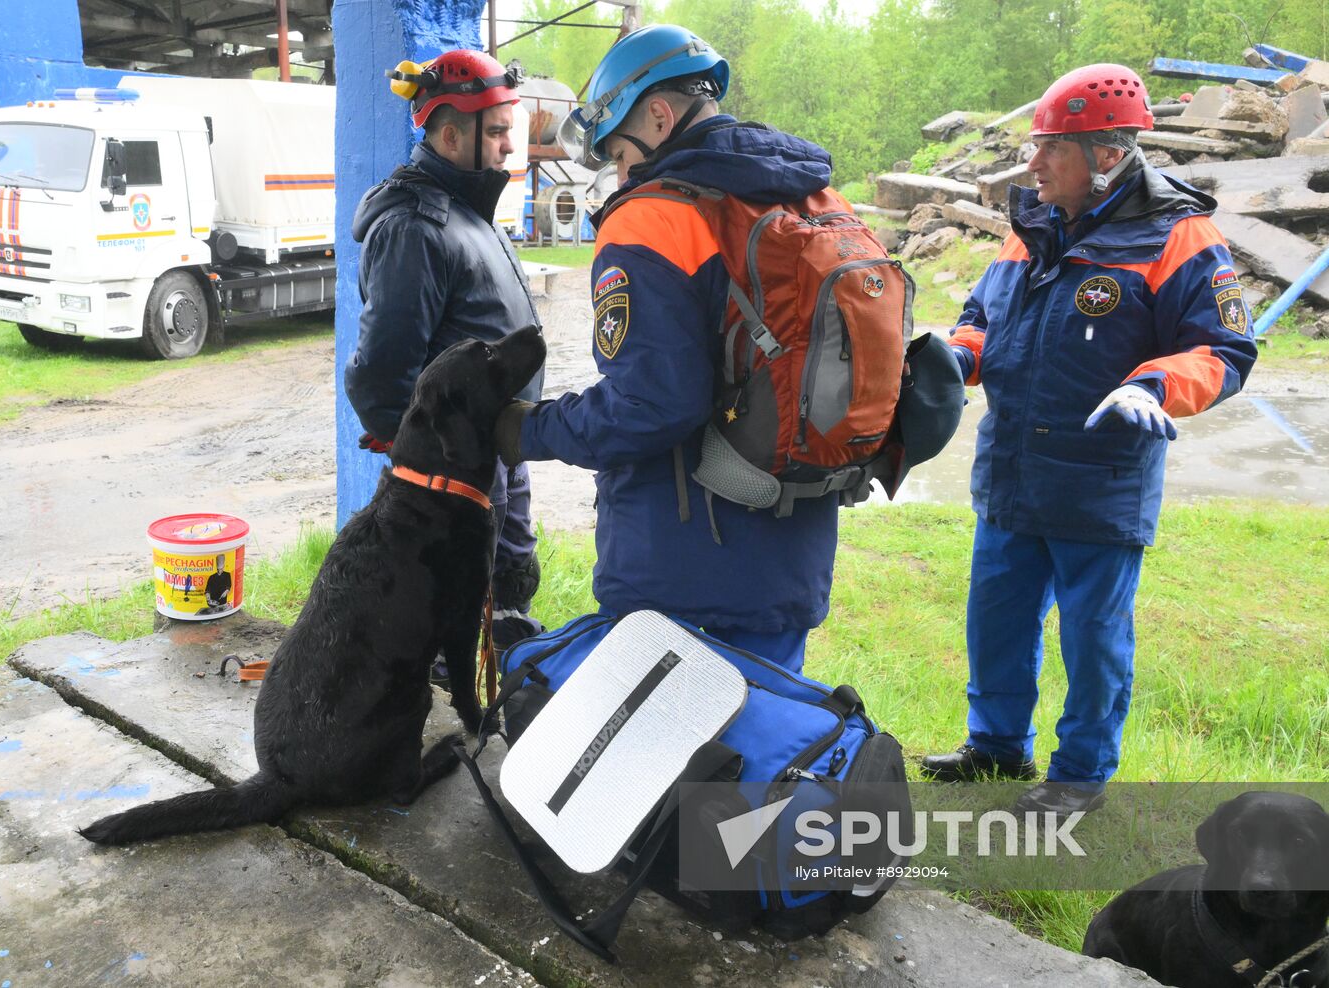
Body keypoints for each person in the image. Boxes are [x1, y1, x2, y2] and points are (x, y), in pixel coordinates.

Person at [920, 64, 1258, 816]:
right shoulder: (1033, 226)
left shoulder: (1181, 236)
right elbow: (982, 315)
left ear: (1108, 155)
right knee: (996, 618)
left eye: (1051, 149)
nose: (1032, 164)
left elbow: (1225, 350)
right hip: (1011, 470)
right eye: (1035, 146)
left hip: (1101, 481)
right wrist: (959, 355)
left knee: (1093, 639)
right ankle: (996, 746)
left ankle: (1078, 777)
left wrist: (1154, 384)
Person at [492, 25, 841, 674]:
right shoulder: (811, 195)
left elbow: (651, 404)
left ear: (657, 115)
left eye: (620, 154)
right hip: (792, 543)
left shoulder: (654, 216)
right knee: (766, 747)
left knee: (674, 763)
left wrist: (528, 430)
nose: (621, 174)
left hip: (680, 559)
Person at [345, 49, 545, 657]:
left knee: (506, 585)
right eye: (501, 131)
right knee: (463, 598)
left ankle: (502, 671)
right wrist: (429, 460)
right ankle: (453, 713)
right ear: (454, 134)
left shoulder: (468, 212)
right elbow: (383, 370)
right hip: (462, 467)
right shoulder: (417, 227)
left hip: (495, 450)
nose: (511, 146)